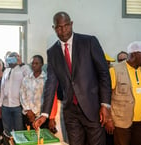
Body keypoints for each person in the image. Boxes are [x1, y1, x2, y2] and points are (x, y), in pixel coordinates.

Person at [32, 11, 111, 145]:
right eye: (59, 27)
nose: (63, 30)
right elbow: (51, 84)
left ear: (71, 24)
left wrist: (105, 104)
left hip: (93, 109)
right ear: (54, 28)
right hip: (70, 111)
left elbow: (104, 74)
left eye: (66, 25)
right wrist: (44, 114)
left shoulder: (89, 42)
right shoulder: (52, 52)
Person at [105, 41, 141, 145]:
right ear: (134, 54)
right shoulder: (115, 70)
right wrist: (109, 119)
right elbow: (106, 96)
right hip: (121, 123)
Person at [0, 52, 31, 137]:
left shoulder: (23, 69)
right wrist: (0, 106)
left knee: (19, 132)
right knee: (7, 131)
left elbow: (29, 77)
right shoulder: (6, 71)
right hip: (5, 106)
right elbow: (2, 89)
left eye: (12, 59)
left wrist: (21, 63)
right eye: (8, 59)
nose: (10, 61)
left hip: (17, 106)